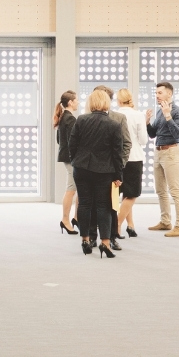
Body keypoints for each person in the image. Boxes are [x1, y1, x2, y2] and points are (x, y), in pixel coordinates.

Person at [68, 90, 123, 258]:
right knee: (103, 206)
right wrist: (118, 175)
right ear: (107, 103)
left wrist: (76, 160)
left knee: (84, 204)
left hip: (82, 168)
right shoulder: (114, 125)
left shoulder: (81, 120)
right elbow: (117, 153)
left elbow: (72, 145)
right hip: (105, 171)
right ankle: (105, 242)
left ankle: (85, 239)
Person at [90, 85, 132, 251]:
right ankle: (92, 236)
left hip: (112, 169)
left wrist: (119, 166)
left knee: (111, 205)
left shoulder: (118, 118)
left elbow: (126, 143)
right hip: (92, 169)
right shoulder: (86, 117)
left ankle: (112, 237)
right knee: (92, 203)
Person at [145, 81, 179, 237]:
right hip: (158, 152)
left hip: (171, 152)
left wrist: (168, 115)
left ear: (169, 93)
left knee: (175, 191)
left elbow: (177, 134)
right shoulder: (159, 111)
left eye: (159, 93)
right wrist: (147, 122)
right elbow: (152, 134)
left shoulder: (177, 111)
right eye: (156, 93)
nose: (157, 96)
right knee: (161, 190)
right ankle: (165, 221)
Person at [115, 89, 148, 238]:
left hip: (117, 159)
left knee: (123, 194)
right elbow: (143, 140)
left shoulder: (113, 115)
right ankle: (117, 224)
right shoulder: (138, 115)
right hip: (134, 157)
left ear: (118, 100)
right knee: (132, 194)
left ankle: (131, 225)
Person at [53, 90, 79, 235]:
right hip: (71, 158)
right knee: (71, 189)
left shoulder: (64, 117)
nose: (78, 102)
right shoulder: (70, 119)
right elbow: (73, 142)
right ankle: (65, 220)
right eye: (76, 100)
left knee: (75, 188)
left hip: (67, 156)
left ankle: (75, 218)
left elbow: (59, 140)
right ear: (70, 102)